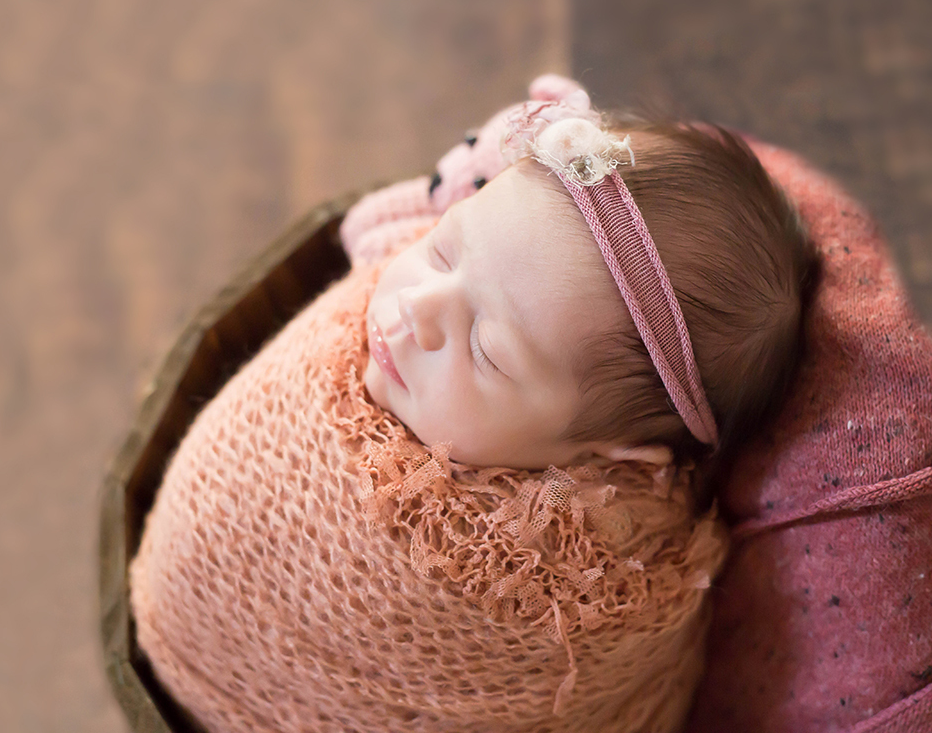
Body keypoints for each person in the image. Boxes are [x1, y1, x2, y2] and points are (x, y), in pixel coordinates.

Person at [129, 78, 815, 733]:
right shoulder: (466, 286)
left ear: (610, 456)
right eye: (443, 249)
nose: (414, 310)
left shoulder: (581, 580)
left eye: (487, 349)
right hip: (183, 617)